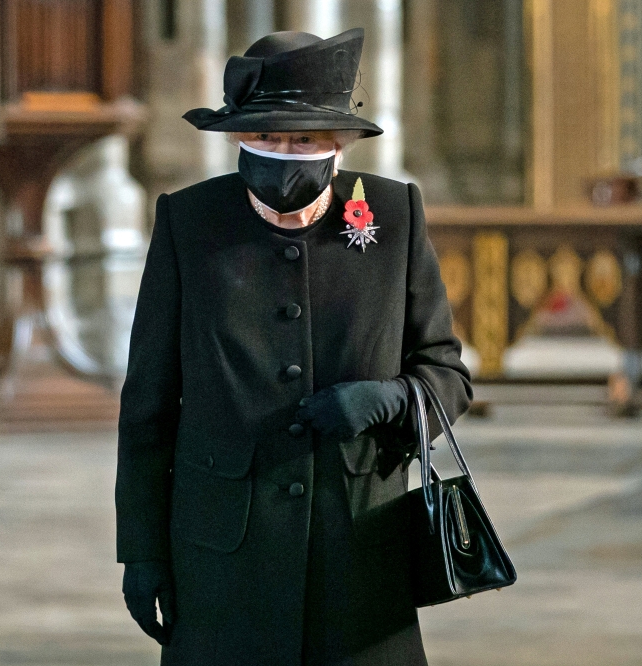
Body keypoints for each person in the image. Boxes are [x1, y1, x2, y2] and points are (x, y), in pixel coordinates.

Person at [116, 28, 472, 666]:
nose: (282, 152)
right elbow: (147, 405)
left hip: (361, 549)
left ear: (337, 143)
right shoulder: (187, 222)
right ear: (236, 139)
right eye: (264, 137)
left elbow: (448, 374)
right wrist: (141, 551)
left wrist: (386, 399)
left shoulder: (394, 216)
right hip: (223, 557)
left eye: (302, 139)